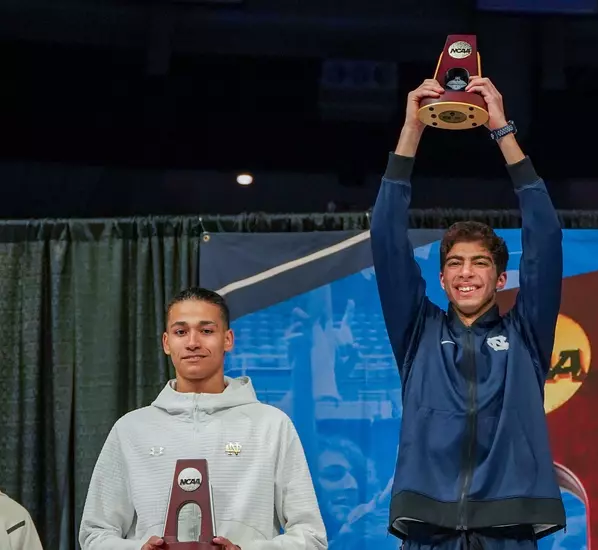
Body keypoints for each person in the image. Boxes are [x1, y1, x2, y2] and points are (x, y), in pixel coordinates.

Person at [370, 77, 566, 549]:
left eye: (481, 263)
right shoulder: (418, 331)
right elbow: (385, 237)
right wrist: (411, 130)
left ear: (502, 279)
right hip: (427, 525)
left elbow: (546, 236)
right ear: (440, 279)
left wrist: (501, 129)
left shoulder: (527, 335)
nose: (466, 273)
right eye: (454, 263)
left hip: (510, 524)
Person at [79, 287, 327, 550]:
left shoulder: (272, 425)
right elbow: (95, 534)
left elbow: (311, 536)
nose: (193, 342)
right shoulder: (130, 429)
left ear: (228, 339)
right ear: (166, 342)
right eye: (180, 332)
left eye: (206, 331)